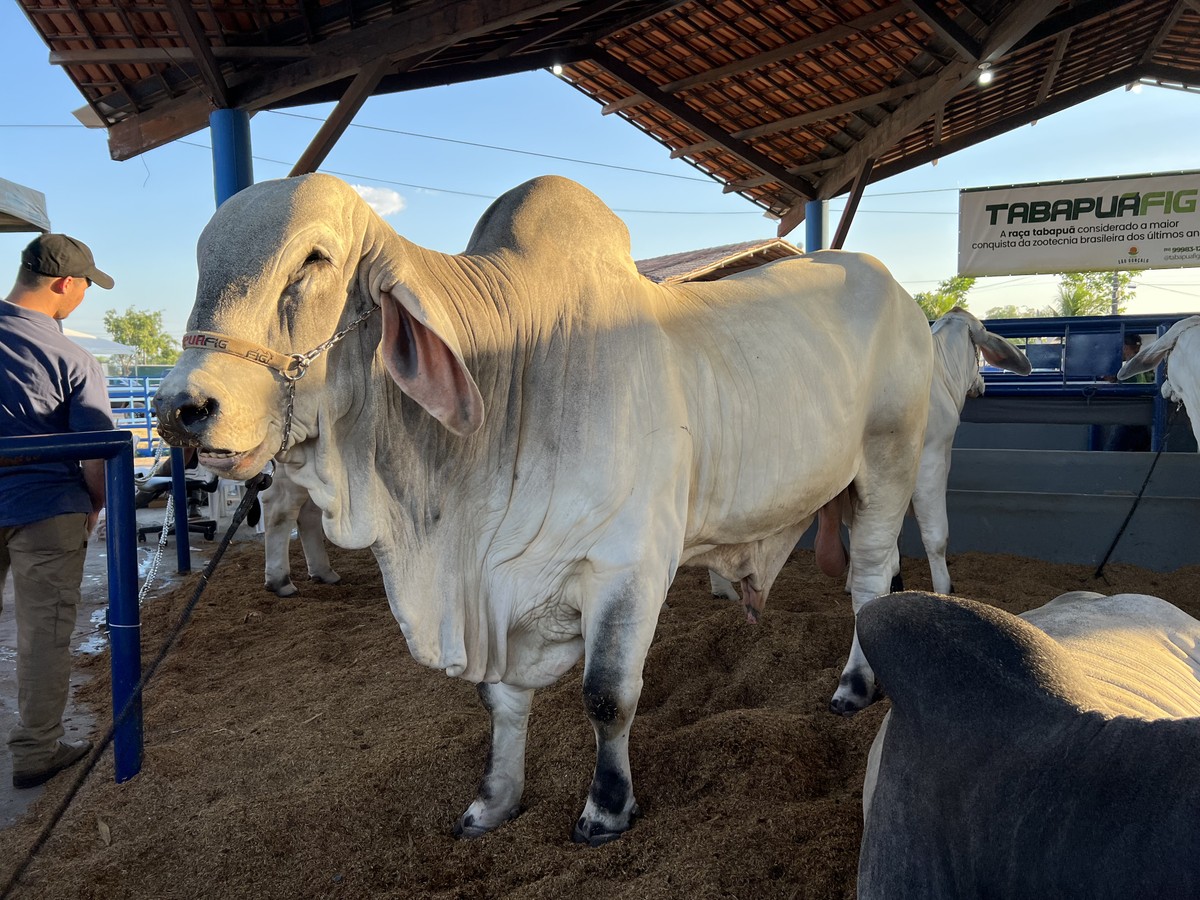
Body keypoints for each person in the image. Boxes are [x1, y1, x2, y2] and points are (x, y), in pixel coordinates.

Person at [0, 233, 115, 789]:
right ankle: (35, 749)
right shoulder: (71, 356)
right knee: (42, 635)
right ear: (65, 284)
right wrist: (94, 502)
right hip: (48, 507)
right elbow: (94, 451)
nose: (83, 297)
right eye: (86, 286)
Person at [1104, 332, 1153, 452]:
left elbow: (1117, 381)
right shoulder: (1143, 365)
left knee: (1111, 453)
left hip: (1128, 416)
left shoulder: (1127, 368)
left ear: (1125, 347)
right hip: (1143, 417)